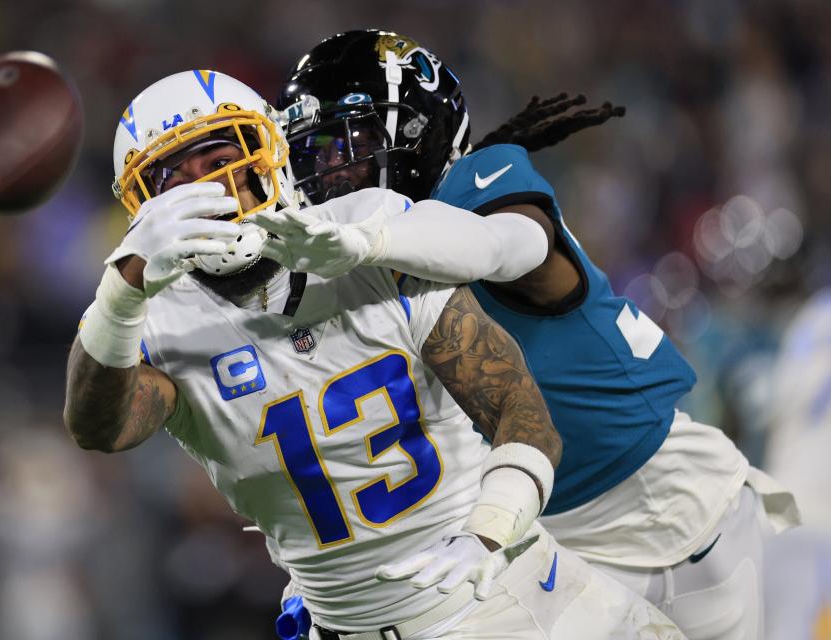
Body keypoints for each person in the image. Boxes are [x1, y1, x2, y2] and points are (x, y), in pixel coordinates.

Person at [63, 69, 685, 638]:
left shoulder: (366, 235)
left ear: (266, 159)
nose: (212, 193)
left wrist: (489, 533)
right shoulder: (154, 319)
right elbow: (98, 426)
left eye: (224, 160)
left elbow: (522, 415)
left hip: (503, 595)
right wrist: (123, 286)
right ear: (144, 208)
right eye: (178, 181)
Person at [272, 29, 800, 640]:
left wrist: (372, 238)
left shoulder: (474, 188)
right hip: (535, 537)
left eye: (347, 142)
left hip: (669, 509)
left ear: (414, 132)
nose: (327, 169)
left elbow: (499, 247)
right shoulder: (348, 275)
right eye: (314, 150)